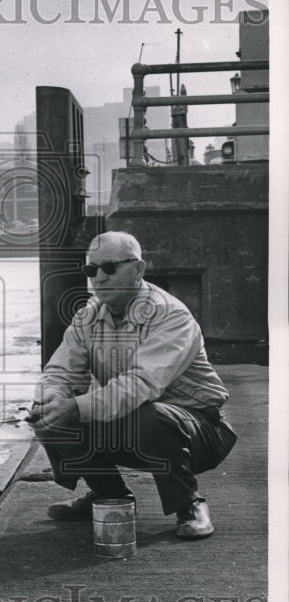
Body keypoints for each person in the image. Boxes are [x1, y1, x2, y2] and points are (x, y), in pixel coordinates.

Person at [29, 231, 237, 539]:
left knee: (147, 415)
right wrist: (51, 400)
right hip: (134, 420)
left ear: (138, 270)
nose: (99, 277)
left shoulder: (171, 315)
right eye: (91, 270)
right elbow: (58, 373)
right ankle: (110, 496)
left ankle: (189, 504)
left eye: (110, 267)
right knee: (48, 413)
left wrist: (74, 407)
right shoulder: (87, 318)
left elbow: (139, 384)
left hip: (199, 429)